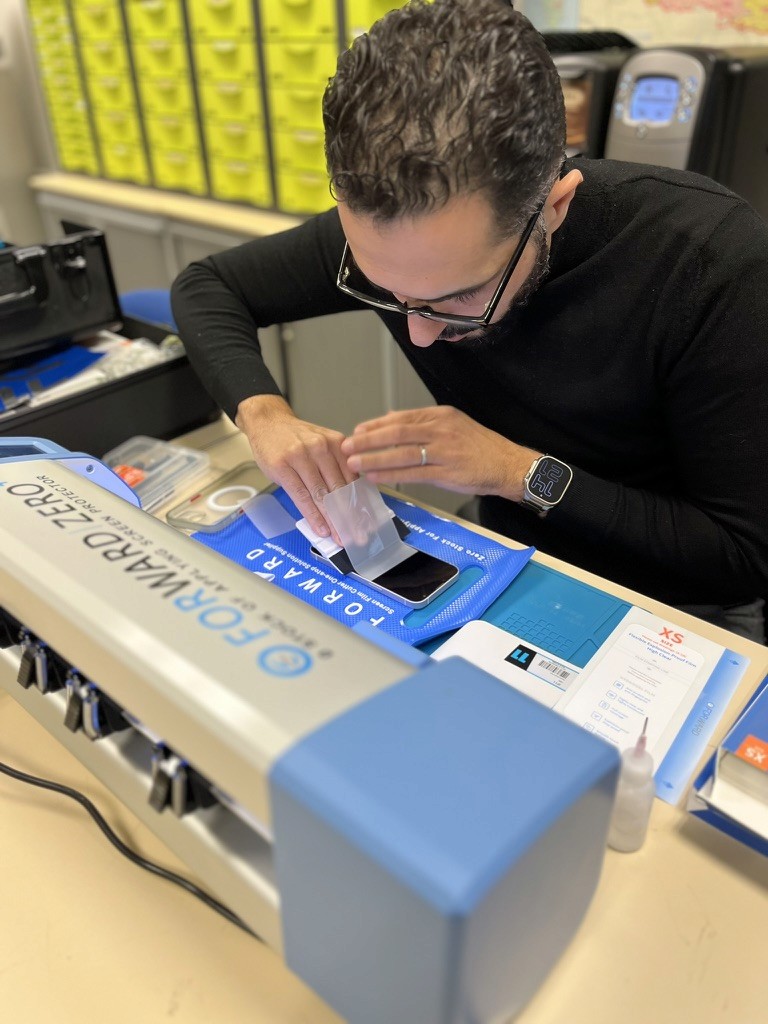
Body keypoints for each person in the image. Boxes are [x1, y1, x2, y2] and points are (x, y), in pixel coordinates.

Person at [171, 0, 768, 643]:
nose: (420, 334)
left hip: (680, 608)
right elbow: (208, 286)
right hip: (502, 555)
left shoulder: (714, 264)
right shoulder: (401, 229)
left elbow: (743, 556)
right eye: (383, 290)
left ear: (556, 206)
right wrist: (265, 416)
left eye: (455, 298)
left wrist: (512, 469)